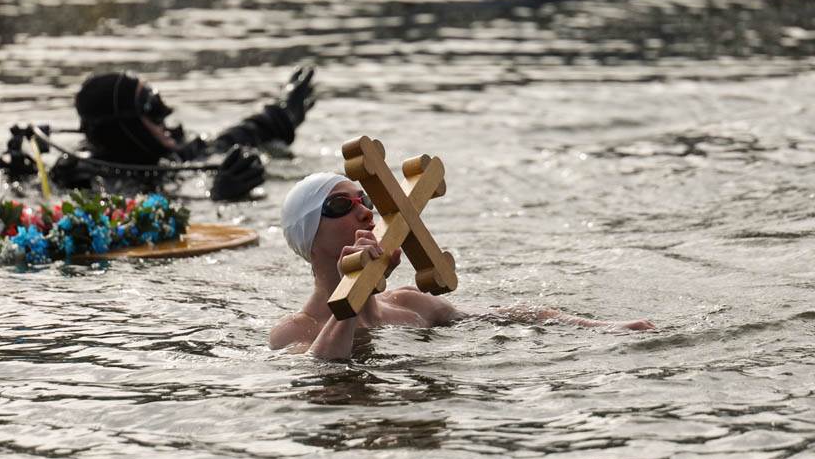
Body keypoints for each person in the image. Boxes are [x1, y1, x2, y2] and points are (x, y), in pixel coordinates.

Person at [271, 173, 655, 359]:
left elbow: (514, 317)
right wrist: (352, 292)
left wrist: (605, 329)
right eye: (340, 206)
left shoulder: (412, 305)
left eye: (364, 200)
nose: (364, 212)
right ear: (311, 243)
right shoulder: (294, 332)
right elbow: (324, 374)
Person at [0, 66, 316, 201]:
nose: (166, 113)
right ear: (125, 126)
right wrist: (218, 197)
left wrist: (284, 111)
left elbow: (234, 137)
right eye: (151, 105)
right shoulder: (84, 180)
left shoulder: (170, 155)